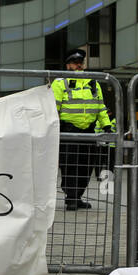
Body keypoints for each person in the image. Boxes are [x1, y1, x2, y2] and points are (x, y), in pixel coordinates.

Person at [52, 49, 114, 210]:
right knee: (70, 165)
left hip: (88, 132)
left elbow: (100, 107)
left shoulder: (93, 82)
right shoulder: (60, 82)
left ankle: (77, 196)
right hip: (68, 131)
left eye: (81, 63)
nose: (79, 66)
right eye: (75, 63)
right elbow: (54, 109)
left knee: (86, 166)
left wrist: (107, 125)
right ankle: (71, 197)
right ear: (68, 65)